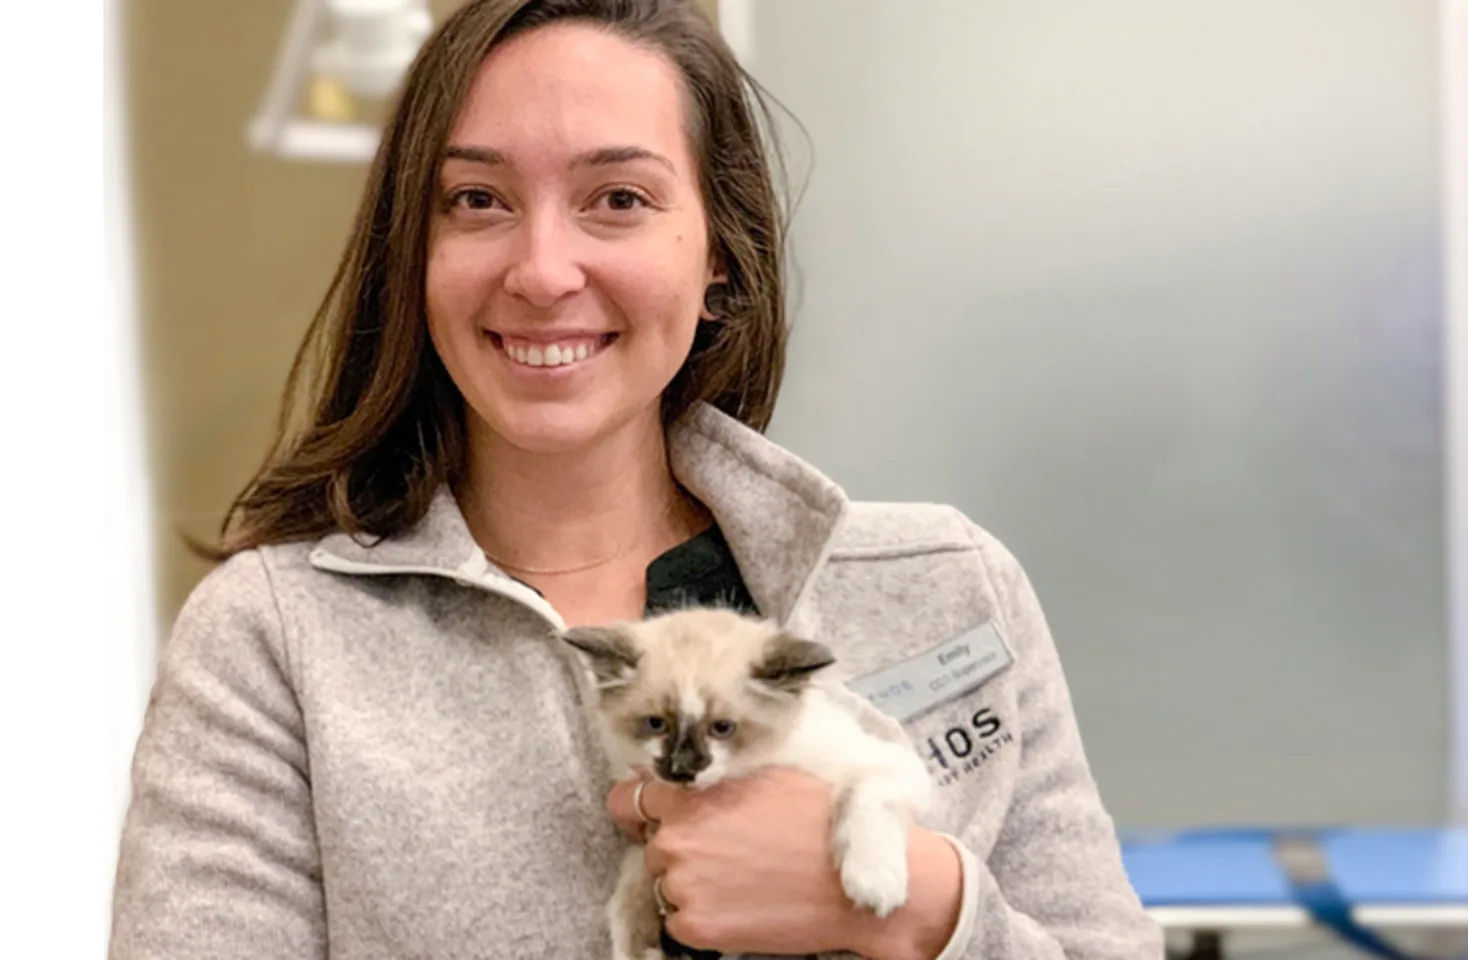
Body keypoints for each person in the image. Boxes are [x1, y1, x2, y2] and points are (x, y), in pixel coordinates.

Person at [109, 1, 1164, 958]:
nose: (542, 270)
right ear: (413, 252)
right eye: (476, 200)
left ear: (717, 254)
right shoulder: (274, 644)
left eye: (617, 198)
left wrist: (926, 913)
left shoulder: (948, 586)